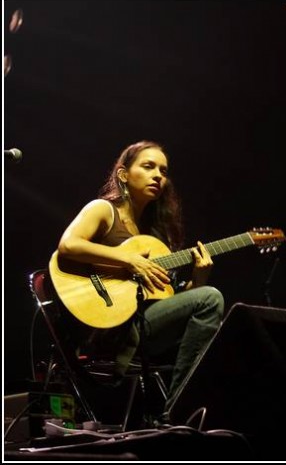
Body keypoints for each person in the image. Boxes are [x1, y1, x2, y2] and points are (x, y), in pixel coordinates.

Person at [55, 140, 225, 420]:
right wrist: (129, 260)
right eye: (148, 166)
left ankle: (194, 406)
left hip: (144, 326)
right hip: (108, 327)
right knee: (210, 299)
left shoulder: (156, 236)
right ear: (123, 174)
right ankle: (179, 411)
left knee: (213, 309)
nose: (158, 175)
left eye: (163, 170)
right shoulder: (103, 210)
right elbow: (68, 245)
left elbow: (169, 301)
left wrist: (199, 278)